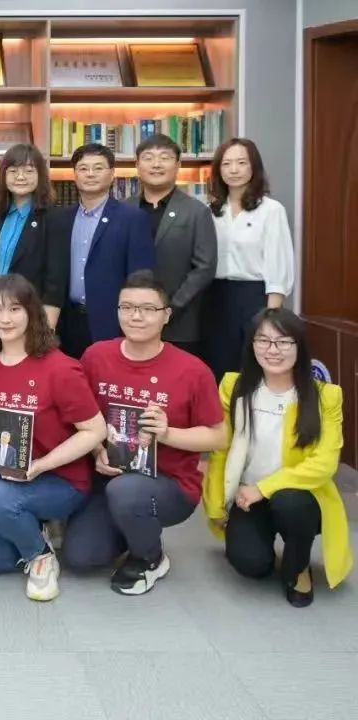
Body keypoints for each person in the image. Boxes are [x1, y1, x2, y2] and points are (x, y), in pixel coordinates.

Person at [64, 270, 226, 595]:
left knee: (126, 492)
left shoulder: (193, 370)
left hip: (169, 484)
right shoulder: (96, 357)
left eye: (148, 309)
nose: (136, 316)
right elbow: (82, 418)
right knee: (81, 557)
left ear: (166, 315)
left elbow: (218, 436)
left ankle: (150, 557)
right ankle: (130, 528)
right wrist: (96, 451)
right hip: (109, 476)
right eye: (127, 307)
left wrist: (168, 434)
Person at [204, 308, 352, 607]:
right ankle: (263, 541)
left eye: (283, 342)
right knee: (252, 566)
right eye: (263, 340)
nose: (272, 350)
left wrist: (264, 488)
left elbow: (325, 463)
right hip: (247, 497)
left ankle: (298, 566)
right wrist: (217, 503)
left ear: (300, 346)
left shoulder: (326, 396)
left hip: (301, 496)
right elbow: (221, 449)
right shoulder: (234, 387)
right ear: (252, 345)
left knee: (290, 502)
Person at [0, 274, 105, 601]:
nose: (5, 319)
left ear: (32, 312)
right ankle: (35, 524)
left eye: (15, 309)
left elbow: (95, 430)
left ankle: (41, 556)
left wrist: (43, 464)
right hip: (9, 475)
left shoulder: (60, 369)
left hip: (61, 479)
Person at [202, 138, 295, 380]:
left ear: (254, 167)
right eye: (226, 164)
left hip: (254, 297)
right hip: (214, 297)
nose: (233, 170)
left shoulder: (271, 210)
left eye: (241, 163)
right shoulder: (210, 210)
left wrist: (272, 317)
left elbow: (278, 265)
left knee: (252, 369)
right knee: (217, 367)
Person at [52, 143, 155, 358]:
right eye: (83, 168)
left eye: (98, 168)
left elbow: (141, 277)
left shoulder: (132, 218)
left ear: (112, 174)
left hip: (111, 322)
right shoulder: (61, 219)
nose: (90, 174)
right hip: (67, 322)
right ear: (75, 175)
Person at [129, 134, 217, 356]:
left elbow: (204, 268)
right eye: (148, 158)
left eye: (165, 157)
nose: (156, 164)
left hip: (180, 324)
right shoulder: (123, 209)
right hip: (130, 322)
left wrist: (168, 308)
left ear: (178, 165)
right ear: (137, 165)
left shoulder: (197, 212)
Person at [0, 143, 64, 327]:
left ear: (40, 175)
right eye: (13, 171)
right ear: (3, 175)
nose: (20, 177)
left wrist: (47, 327)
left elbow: (55, 280)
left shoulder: (53, 218)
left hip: (32, 313)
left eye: (29, 171)